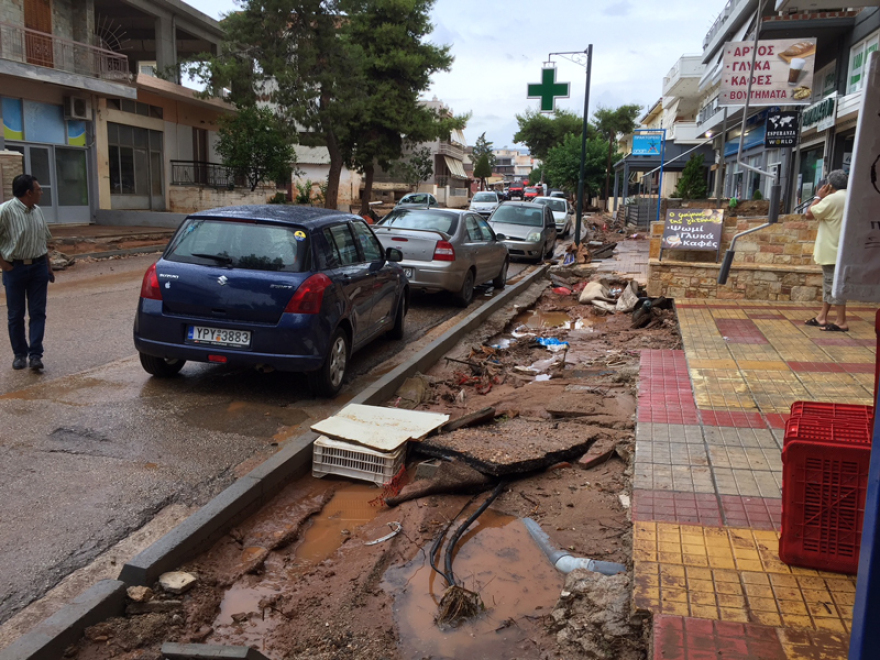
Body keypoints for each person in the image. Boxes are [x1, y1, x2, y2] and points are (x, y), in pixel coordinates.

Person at [0, 174, 54, 371]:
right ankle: (20, 354)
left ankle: (36, 355)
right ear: (28, 193)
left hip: (38, 267)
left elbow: (42, 241)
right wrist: (4, 266)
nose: (41, 192)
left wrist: (48, 266)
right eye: (38, 189)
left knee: (38, 313)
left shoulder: (38, 211)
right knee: (15, 315)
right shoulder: (5, 211)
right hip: (15, 269)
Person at [804, 169, 848, 332]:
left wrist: (818, 197)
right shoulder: (852, 197)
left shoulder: (832, 199)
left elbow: (809, 214)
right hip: (845, 249)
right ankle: (822, 316)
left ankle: (841, 321)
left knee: (834, 285)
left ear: (829, 185)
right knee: (831, 284)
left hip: (831, 250)